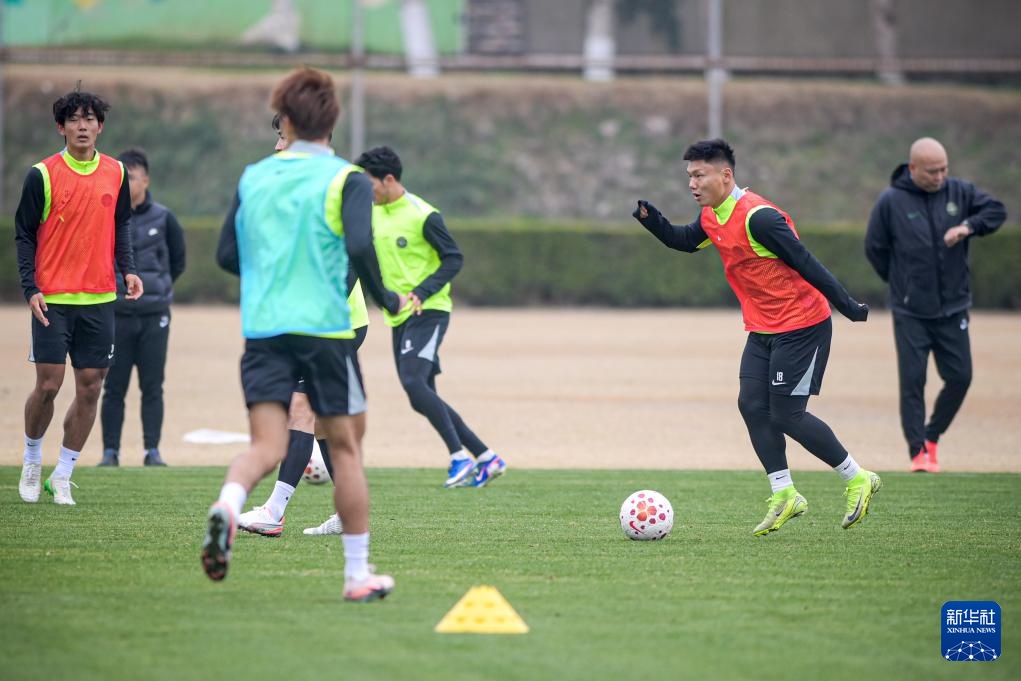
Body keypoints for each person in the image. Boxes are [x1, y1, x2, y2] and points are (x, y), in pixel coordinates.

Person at [206, 67, 404, 603]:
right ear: (332, 122)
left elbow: (226, 255)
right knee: (345, 448)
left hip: (266, 329)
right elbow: (359, 247)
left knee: (266, 444)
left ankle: (228, 504)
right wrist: (386, 300)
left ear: (285, 122)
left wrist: (273, 277)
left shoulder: (254, 176)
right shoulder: (348, 180)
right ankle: (357, 574)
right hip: (325, 330)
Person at [633, 138, 879, 535]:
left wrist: (847, 306)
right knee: (751, 405)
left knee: (787, 415)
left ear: (725, 174)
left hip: (802, 326)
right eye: (689, 176)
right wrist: (651, 219)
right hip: (763, 328)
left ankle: (858, 477)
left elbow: (806, 263)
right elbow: (684, 241)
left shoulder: (759, 218)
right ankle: (785, 494)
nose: (692, 184)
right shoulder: (712, 216)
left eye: (699, 175)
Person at [236, 114, 370, 539]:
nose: (278, 145)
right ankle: (347, 518)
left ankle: (274, 511)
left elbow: (356, 254)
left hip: (333, 325)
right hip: (307, 323)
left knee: (300, 410)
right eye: (278, 137)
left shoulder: (337, 182)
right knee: (326, 425)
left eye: (285, 136)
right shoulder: (281, 182)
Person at [15, 89, 142, 506]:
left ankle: (63, 475)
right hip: (52, 299)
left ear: (100, 126)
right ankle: (32, 460)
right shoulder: (42, 174)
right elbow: (24, 235)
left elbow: (121, 225)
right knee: (48, 385)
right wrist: (31, 288)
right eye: (74, 119)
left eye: (89, 119)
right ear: (61, 127)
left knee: (90, 388)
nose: (82, 126)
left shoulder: (117, 172)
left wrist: (128, 269)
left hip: (100, 297)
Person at [353, 145, 507, 490]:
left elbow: (453, 258)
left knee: (413, 382)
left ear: (388, 179)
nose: (367, 191)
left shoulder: (424, 215)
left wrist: (422, 291)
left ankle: (459, 458)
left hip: (429, 311)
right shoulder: (370, 213)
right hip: (398, 316)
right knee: (421, 395)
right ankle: (487, 458)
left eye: (370, 184)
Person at [865, 137, 1006, 473]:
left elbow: (996, 211)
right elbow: (875, 247)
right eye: (932, 171)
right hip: (910, 311)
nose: (940, 176)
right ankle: (918, 452)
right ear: (913, 168)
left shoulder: (960, 192)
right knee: (913, 381)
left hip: (953, 308)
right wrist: (901, 284)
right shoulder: (891, 200)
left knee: (961, 377)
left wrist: (968, 226)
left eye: (944, 169)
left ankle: (932, 436)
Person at [99, 147, 186, 468]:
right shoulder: (107, 215)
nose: (124, 183)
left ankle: (152, 451)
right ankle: (110, 453)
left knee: (152, 386)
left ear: (145, 180)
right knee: (113, 387)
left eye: (131, 177)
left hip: (154, 316)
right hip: (117, 314)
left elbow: (178, 262)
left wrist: (157, 289)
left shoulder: (164, 218)